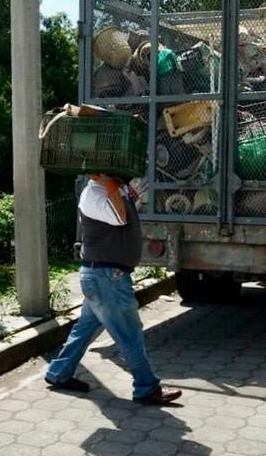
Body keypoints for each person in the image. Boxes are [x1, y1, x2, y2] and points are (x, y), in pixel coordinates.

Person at [44, 173, 181, 405]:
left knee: (85, 329)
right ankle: (147, 387)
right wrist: (111, 185)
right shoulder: (94, 194)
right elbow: (119, 218)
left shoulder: (112, 190)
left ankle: (58, 372)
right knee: (130, 332)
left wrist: (121, 189)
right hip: (106, 277)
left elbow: (125, 212)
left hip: (103, 276)